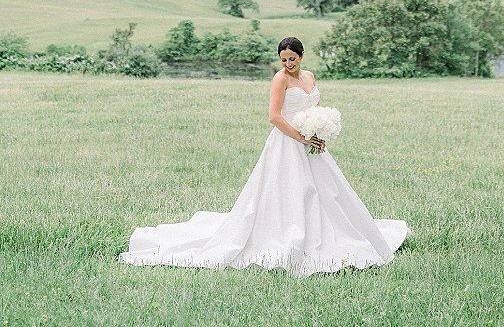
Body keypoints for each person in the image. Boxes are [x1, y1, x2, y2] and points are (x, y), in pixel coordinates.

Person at [119, 37, 410, 276]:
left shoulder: (309, 76)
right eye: (283, 60)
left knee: (328, 192)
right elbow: (274, 117)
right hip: (287, 143)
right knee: (293, 192)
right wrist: (301, 136)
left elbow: (314, 107)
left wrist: (320, 129)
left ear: (302, 56)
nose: (287, 64)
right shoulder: (279, 79)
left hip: (312, 143)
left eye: (292, 59)